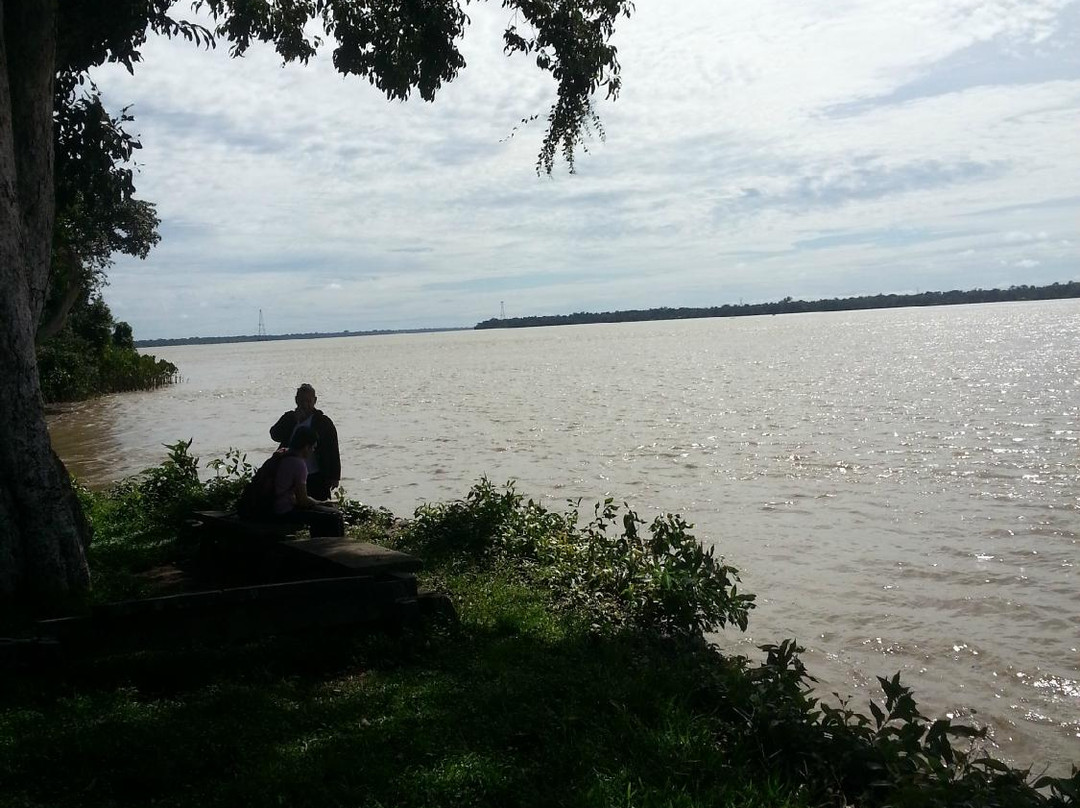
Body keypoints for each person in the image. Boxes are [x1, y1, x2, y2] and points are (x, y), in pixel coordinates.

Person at [270, 383, 340, 500]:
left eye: (308, 401)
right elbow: (274, 435)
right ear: (296, 400)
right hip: (291, 472)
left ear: (315, 400)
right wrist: (293, 421)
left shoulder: (323, 422)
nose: (305, 404)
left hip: (317, 473)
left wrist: (335, 476)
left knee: (319, 503)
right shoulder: (289, 418)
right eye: (301, 401)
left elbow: (333, 449)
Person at [273, 426, 344, 537]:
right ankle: (329, 546)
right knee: (335, 516)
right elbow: (303, 500)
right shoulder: (299, 464)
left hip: (273, 507)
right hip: (284, 511)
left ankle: (320, 542)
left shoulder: (282, 455)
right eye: (313, 447)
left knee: (323, 513)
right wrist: (321, 503)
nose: (313, 451)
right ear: (306, 447)